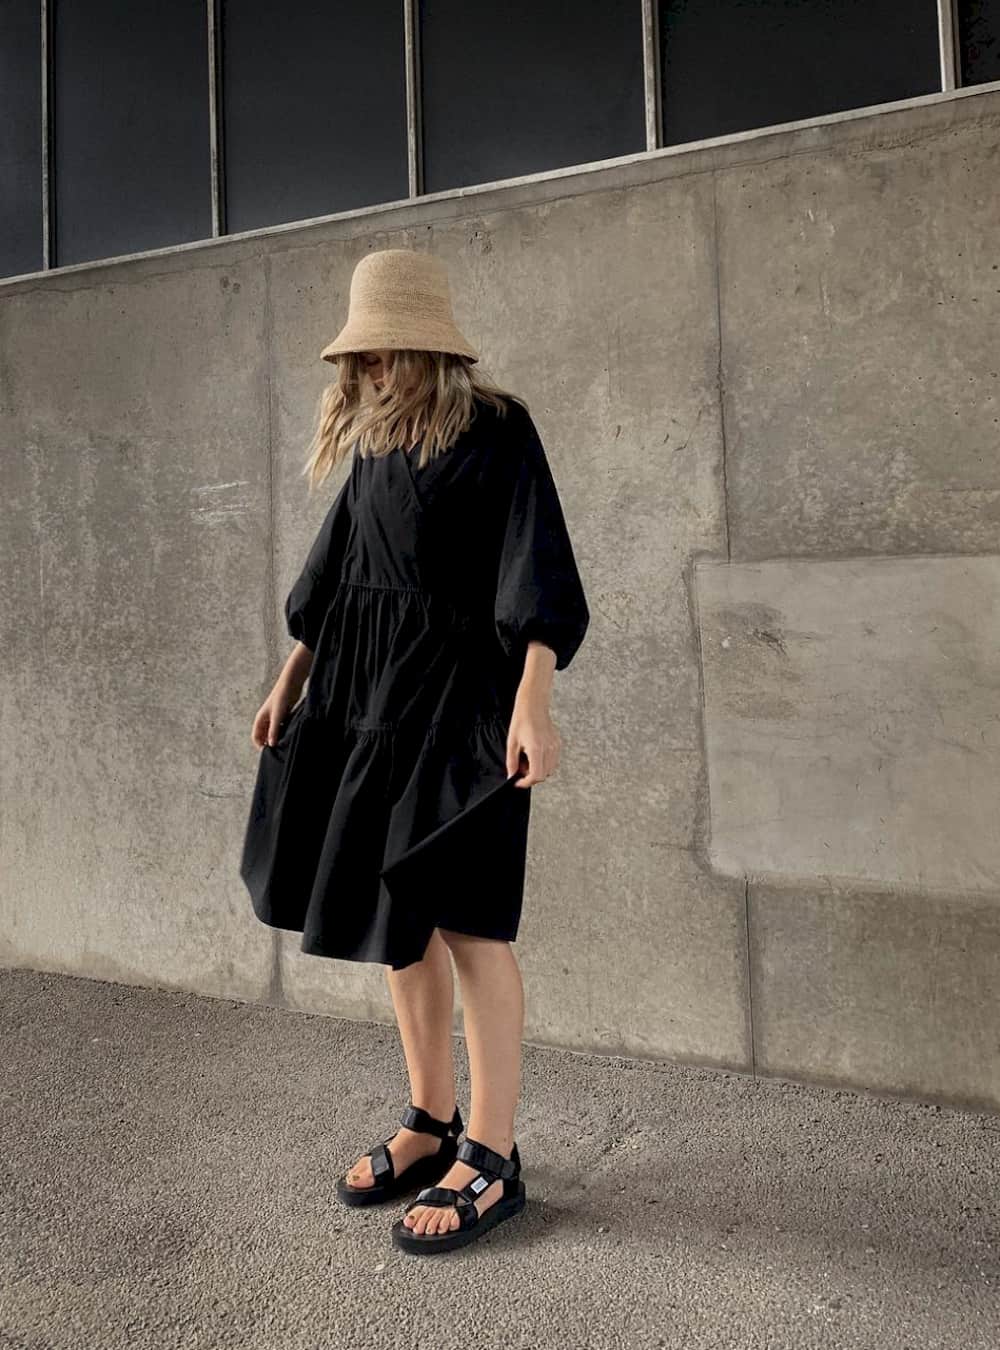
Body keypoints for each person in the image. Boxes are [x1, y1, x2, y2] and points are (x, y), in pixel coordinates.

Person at [239, 248, 590, 1254]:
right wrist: (287, 684)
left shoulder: (498, 432)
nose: (372, 370)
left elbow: (539, 574)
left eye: (386, 351)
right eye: (363, 356)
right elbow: (335, 576)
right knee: (400, 918)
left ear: (426, 345)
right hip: (369, 703)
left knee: (472, 924)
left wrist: (534, 708)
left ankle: (492, 1153)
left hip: (464, 707)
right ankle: (432, 1121)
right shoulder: (375, 444)